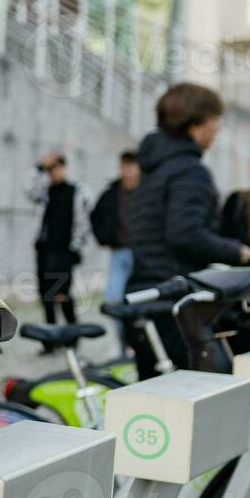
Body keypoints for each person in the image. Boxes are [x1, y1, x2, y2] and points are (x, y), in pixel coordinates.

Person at [125, 82, 250, 377]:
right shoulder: (189, 171)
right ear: (195, 122)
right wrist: (239, 251)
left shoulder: (154, 170)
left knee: (156, 401)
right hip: (175, 301)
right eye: (215, 119)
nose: (218, 128)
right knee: (199, 398)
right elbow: (185, 234)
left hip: (146, 295)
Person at [27, 151, 92, 347]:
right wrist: (38, 167)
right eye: (50, 169)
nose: (53, 173)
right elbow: (29, 190)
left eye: (56, 168)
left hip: (65, 252)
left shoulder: (78, 191)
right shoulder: (45, 192)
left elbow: (84, 223)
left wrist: (76, 248)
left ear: (64, 167)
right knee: (46, 296)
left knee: (62, 294)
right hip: (44, 251)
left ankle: (73, 337)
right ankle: (50, 341)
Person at [90, 149, 140, 353]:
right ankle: (121, 342)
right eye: (123, 167)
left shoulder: (147, 192)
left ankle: (137, 342)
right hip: (118, 253)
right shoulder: (112, 193)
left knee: (139, 299)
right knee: (114, 298)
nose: (126, 172)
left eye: (130, 166)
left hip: (142, 255)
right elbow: (95, 217)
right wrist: (105, 239)